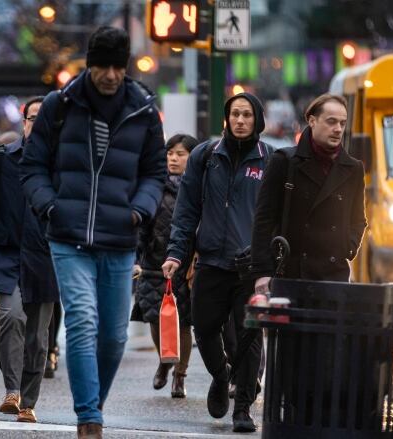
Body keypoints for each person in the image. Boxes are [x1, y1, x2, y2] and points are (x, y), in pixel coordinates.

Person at [20, 26, 167, 439]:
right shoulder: (59, 105)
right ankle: (89, 420)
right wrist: (50, 205)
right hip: (68, 235)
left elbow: (155, 172)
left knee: (115, 336)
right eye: (102, 65)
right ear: (90, 64)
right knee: (82, 322)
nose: (110, 74)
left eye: (117, 66)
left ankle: (92, 405)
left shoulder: (143, 110)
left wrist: (139, 210)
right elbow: (32, 167)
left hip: (120, 238)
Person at [163, 92, 275, 433]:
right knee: (205, 327)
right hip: (211, 261)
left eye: (247, 115)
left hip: (250, 269)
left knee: (249, 335)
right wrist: (175, 253)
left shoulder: (269, 159)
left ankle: (243, 408)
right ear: (227, 118)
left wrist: (267, 263)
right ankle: (221, 374)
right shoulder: (205, 155)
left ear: (257, 119)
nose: (240, 120)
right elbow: (186, 211)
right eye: (235, 114)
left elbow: (277, 217)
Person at [0, 96, 60, 423]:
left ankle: (28, 402)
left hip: (47, 258)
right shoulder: (0, 159)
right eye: (32, 118)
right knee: (11, 317)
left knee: (38, 338)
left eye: (44, 118)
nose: (37, 123)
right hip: (7, 254)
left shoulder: (62, 165)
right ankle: (12, 389)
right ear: (24, 123)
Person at [251, 94, 366, 286]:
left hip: (333, 275)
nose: (338, 129)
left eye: (342, 123)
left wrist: (348, 247)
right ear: (312, 121)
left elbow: (358, 219)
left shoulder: (353, 169)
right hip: (291, 273)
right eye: (331, 122)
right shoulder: (284, 161)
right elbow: (264, 219)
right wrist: (262, 272)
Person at [131, 134, 198, 399]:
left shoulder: (197, 188)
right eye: (170, 153)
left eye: (180, 154)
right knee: (154, 320)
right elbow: (140, 227)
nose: (173, 158)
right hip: (152, 265)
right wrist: (135, 260)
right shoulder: (153, 187)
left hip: (185, 268)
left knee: (183, 323)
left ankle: (179, 377)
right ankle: (165, 360)